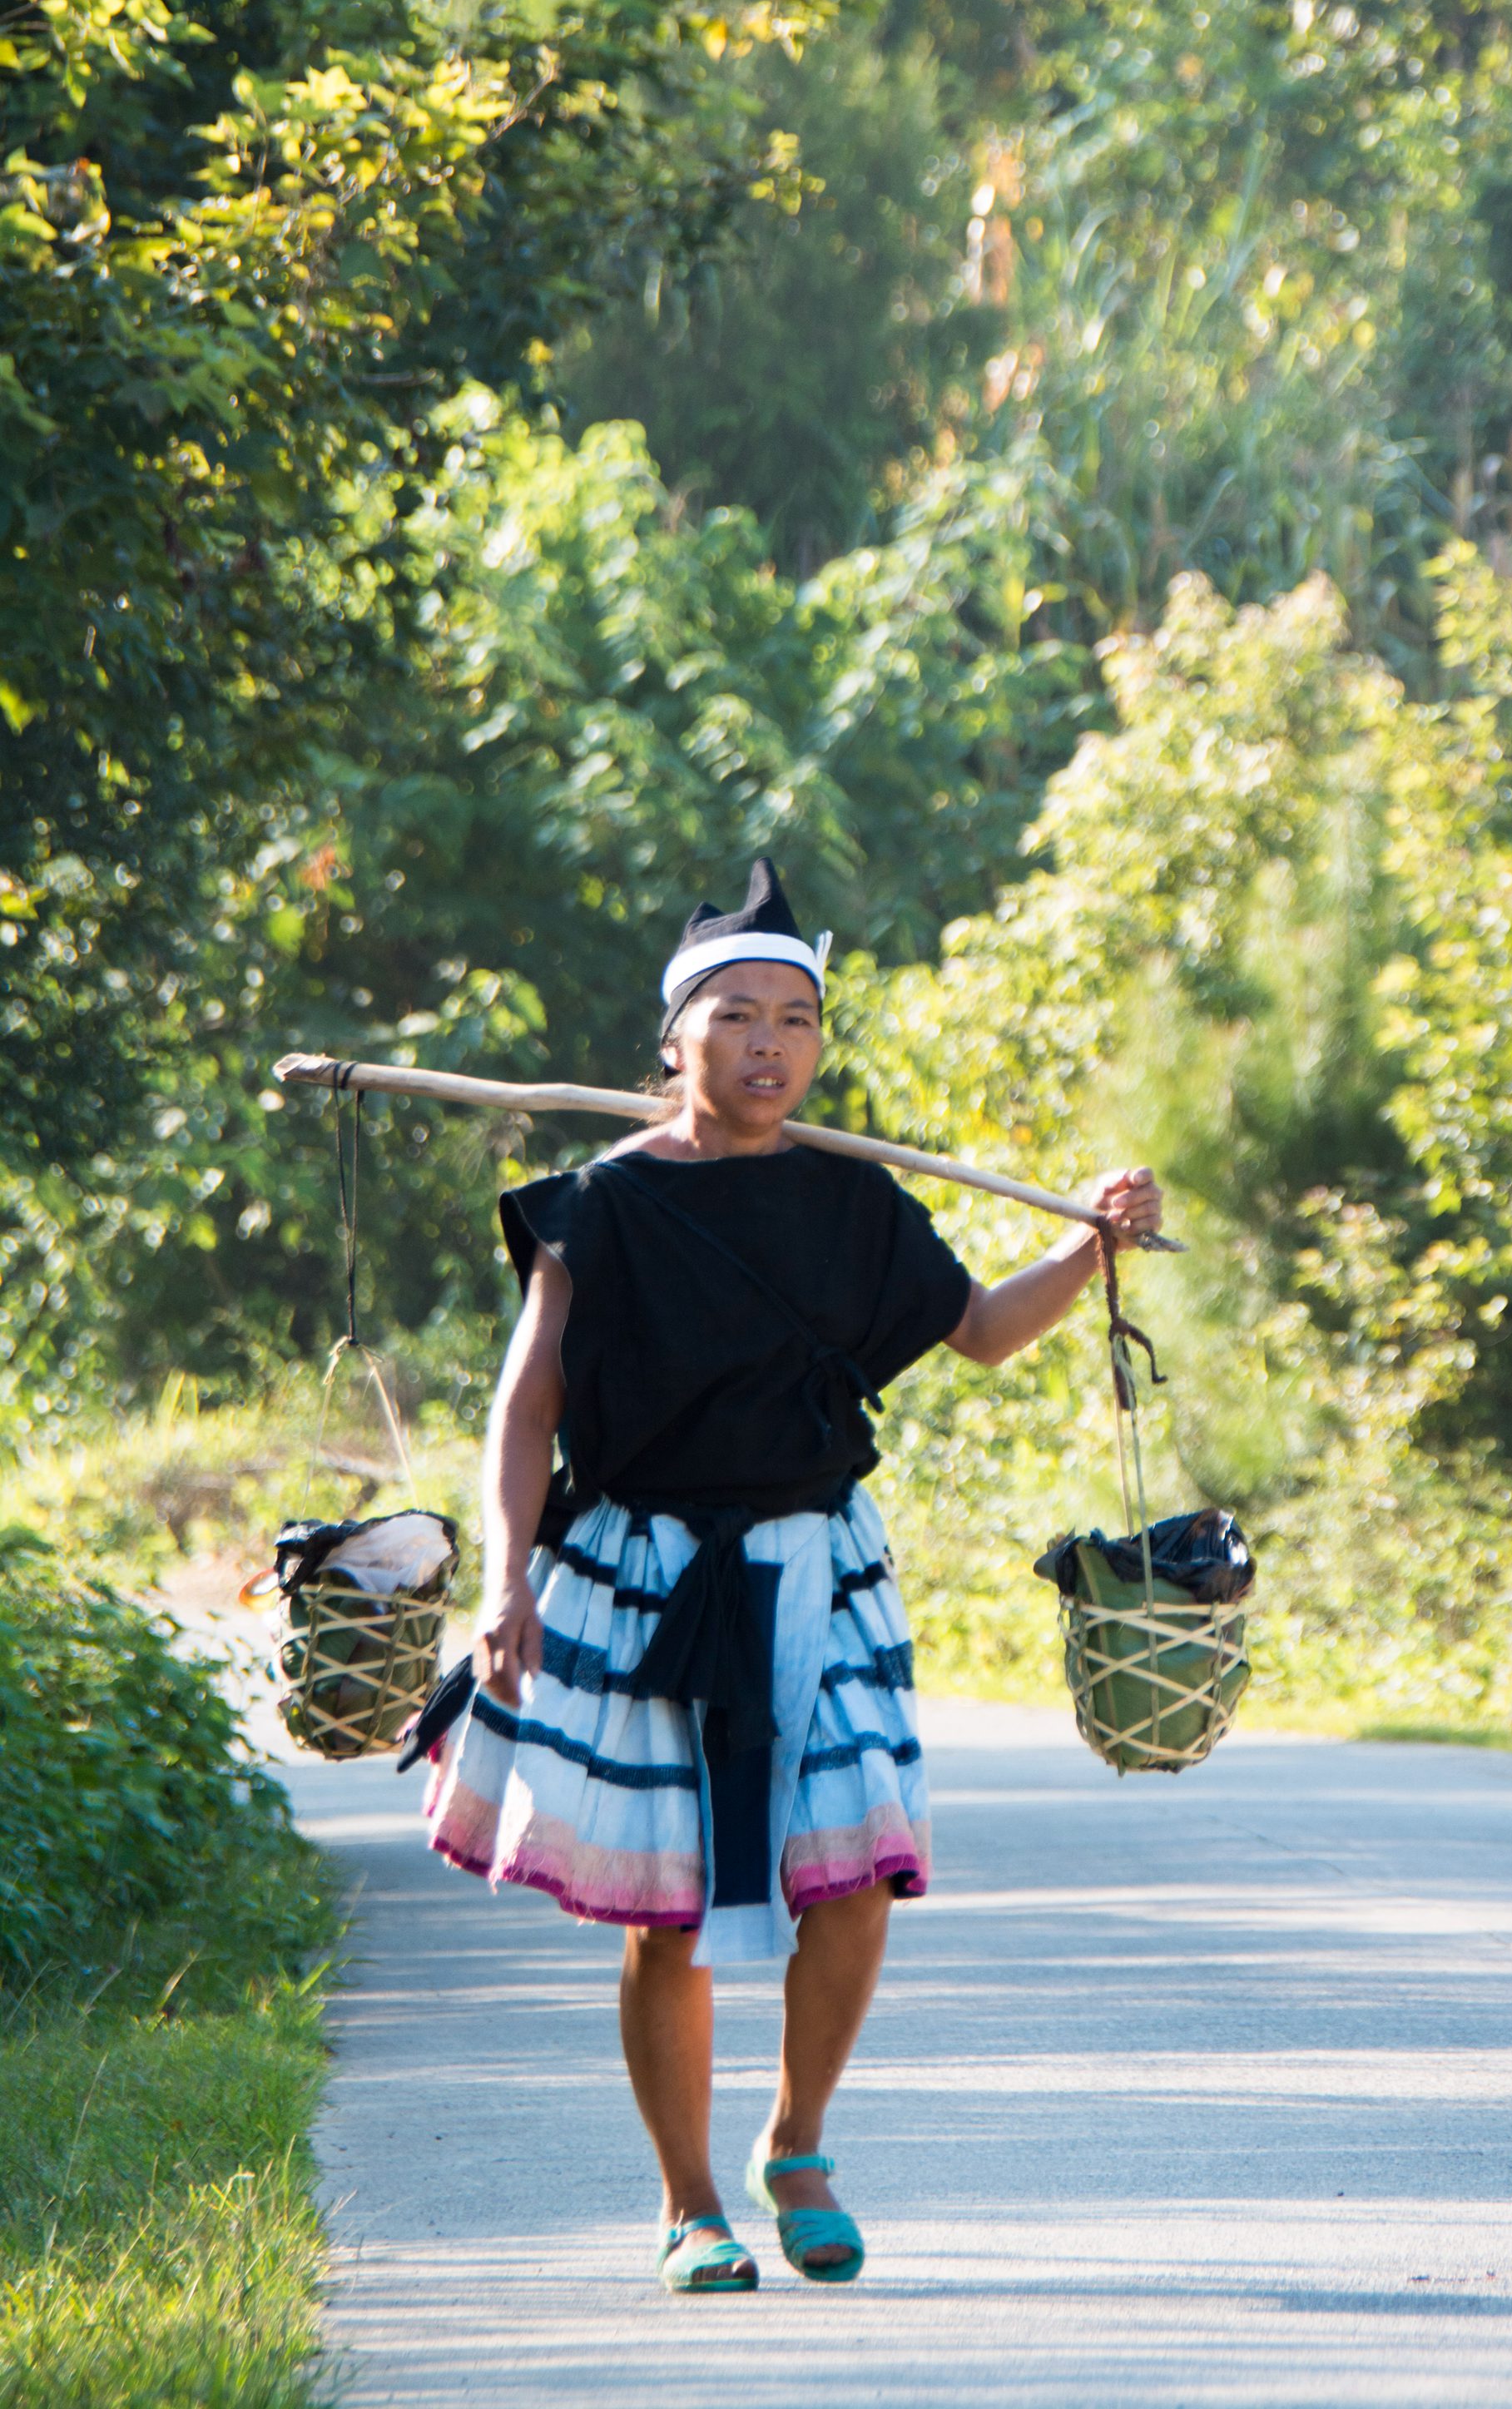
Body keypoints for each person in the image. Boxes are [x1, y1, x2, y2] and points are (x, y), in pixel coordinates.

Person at [425, 858, 1161, 2293]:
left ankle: (799, 2143)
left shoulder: (855, 1202)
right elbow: (526, 1411)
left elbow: (984, 1331)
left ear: (818, 1044)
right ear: (675, 1041)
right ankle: (688, 2203)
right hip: (644, 1578)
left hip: (822, 1567)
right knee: (669, 1900)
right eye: (737, 1016)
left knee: (860, 1866)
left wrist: (1089, 1245)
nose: (769, 1044)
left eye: (795, 1021)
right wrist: (504, 1579)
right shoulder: (597, 1207)